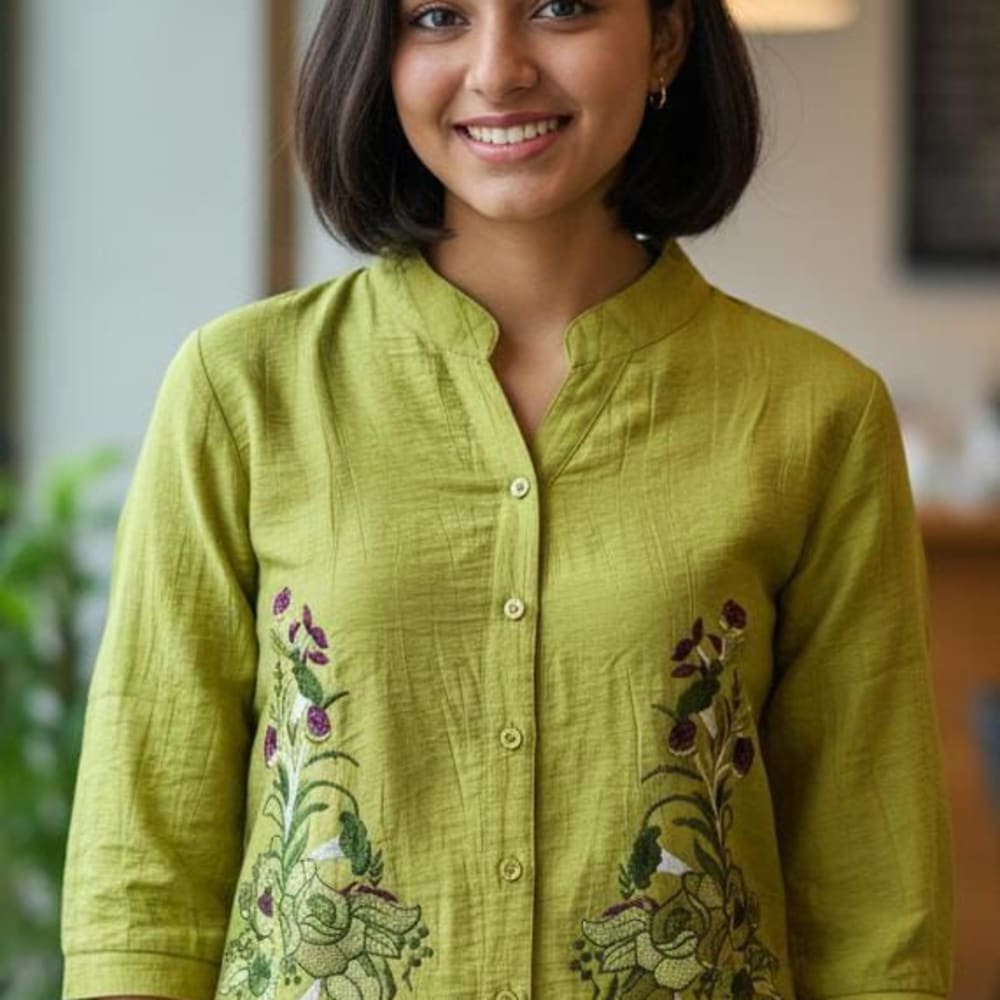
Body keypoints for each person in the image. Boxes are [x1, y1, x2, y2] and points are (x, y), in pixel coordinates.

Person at [60, 0, 955, 998]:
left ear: (663, 37)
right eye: (437, 16)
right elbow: (143, 867)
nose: (497, 69)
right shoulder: (241, 391)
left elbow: (877, 902)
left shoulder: (816, 415)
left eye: (560, 8)